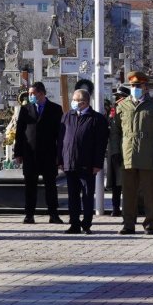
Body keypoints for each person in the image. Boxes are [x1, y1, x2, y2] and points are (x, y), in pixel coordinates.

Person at [110, 71, 153, 235]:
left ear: (145, 86)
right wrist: (115, 151)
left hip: (148, 154)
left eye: (138, 86)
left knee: (150, 193)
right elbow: (115, 131)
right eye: (133, 86)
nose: (135, 88)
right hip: (127, 154)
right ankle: (128, 224)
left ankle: (149, 224)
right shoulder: (122, 105)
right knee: (128, 192)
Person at [58, 88, 109, 234]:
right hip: (69, 162)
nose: (73, 102)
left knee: (87, 196)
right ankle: (74, 224)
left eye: (76, 100)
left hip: (87, 164)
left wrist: (97, 164)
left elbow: (101, 143)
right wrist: (60, 159)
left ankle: (86, 224)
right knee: (72, 196)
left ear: (84, 102)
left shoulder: (97, 119)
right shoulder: (67, 116)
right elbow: (61, 140)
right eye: (73, 99)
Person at [14, 81, 63, 225]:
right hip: (30, 154)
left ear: (41, 94)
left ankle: (53, 214)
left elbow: (59, 134)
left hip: (48, 154)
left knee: (51, 187)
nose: (29, 96)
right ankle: (29, 215)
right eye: (29, 93)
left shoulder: (55, 109)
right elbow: (20, 133)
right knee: (30, 187)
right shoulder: (25, 109)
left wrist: (59, 156)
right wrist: (18, 153)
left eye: (32, 94)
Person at [106, 85, 130, 217]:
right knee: (115, 181)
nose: (117, 99)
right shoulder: (113, 110)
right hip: (114, 148)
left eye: (119, 97)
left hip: (125, 147)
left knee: (125, 182)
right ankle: (115, 207)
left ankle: (127, 208)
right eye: (116, 97)